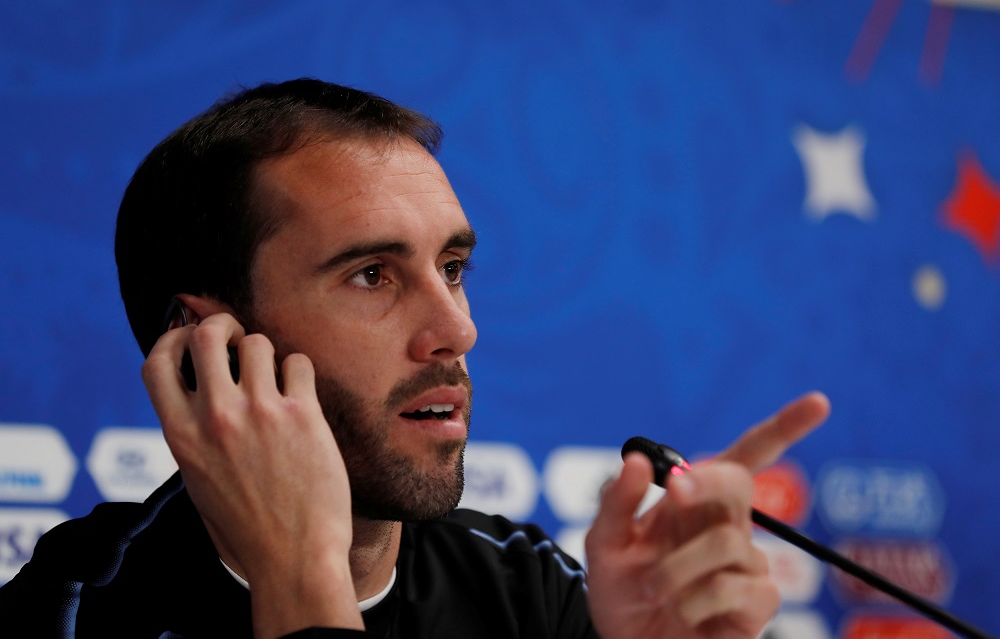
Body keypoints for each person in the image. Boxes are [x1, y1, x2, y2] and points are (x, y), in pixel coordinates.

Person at [0, 78, 829, 638]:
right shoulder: (78, 609)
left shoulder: (529, 591)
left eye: (454, 268)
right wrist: (303, 577)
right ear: (204, 348)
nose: (457, 331)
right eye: (372, 275)